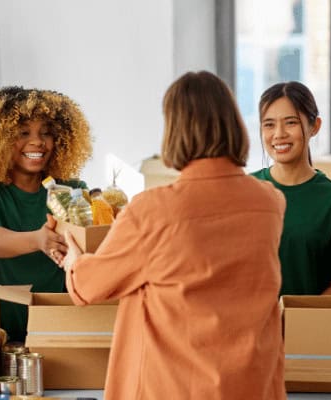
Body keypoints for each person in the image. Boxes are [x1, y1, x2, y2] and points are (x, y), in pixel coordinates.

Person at [58, 71, 287, 400]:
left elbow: (89, 286)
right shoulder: (270, 202)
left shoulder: (152, 210)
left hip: (175, 388)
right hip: (252, 385)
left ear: (175, 129)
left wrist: (75, 260)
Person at [0, 86, 92, 342]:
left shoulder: (71, 190)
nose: (38, 141)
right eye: (23, 132)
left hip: (56, 320)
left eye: (47, 133)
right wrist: (39, 240)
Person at [250, 81, 331, 295]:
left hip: (311, 325)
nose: (279, 134)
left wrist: (301, 323)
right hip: (251, 326)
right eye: (269, 124)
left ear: (314, 126)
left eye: (290, 122)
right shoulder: (245, 191)